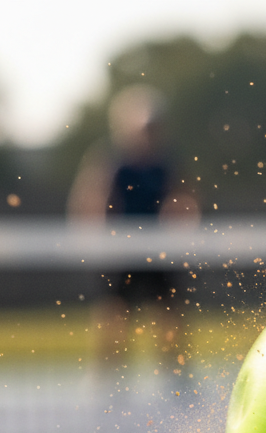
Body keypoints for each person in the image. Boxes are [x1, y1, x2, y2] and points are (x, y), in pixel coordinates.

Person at [68, 85, 197, 366]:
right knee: (114, 313)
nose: (149, 133)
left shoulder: (167, 163)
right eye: (144, 128)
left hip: (161, 250)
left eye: (154, 127)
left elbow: (184, 200)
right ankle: (106, 381)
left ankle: (177, 378)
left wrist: (182, 222)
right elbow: (91, 201)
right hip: (120, 252)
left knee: (170, 312)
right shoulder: (112, 163)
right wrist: (97, 238)